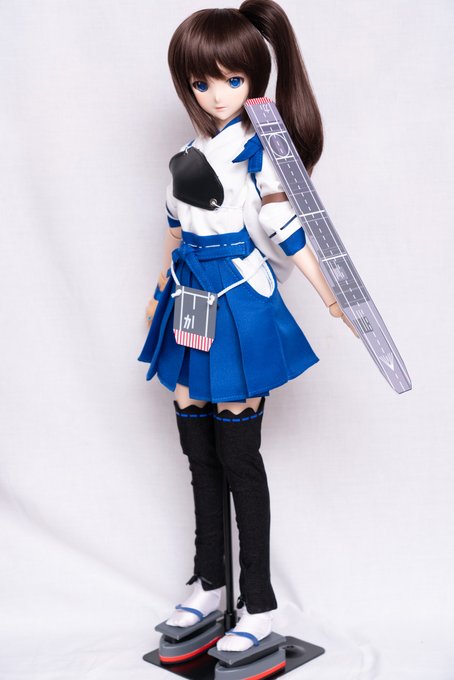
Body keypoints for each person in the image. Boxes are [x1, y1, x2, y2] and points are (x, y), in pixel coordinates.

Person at [138, 0, 355, 653]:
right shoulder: (187, 154)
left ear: (254, 79)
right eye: (202, 82)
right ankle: (209, 584)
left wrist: (331, 294)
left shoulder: (260, 154)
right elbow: (175, 233)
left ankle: (257, 605)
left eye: (231, 80)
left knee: (238, 456)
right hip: (189, 299)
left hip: (239, 301)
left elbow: (287, 229)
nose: (217, 94)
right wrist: (157, 293)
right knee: (197, 449)